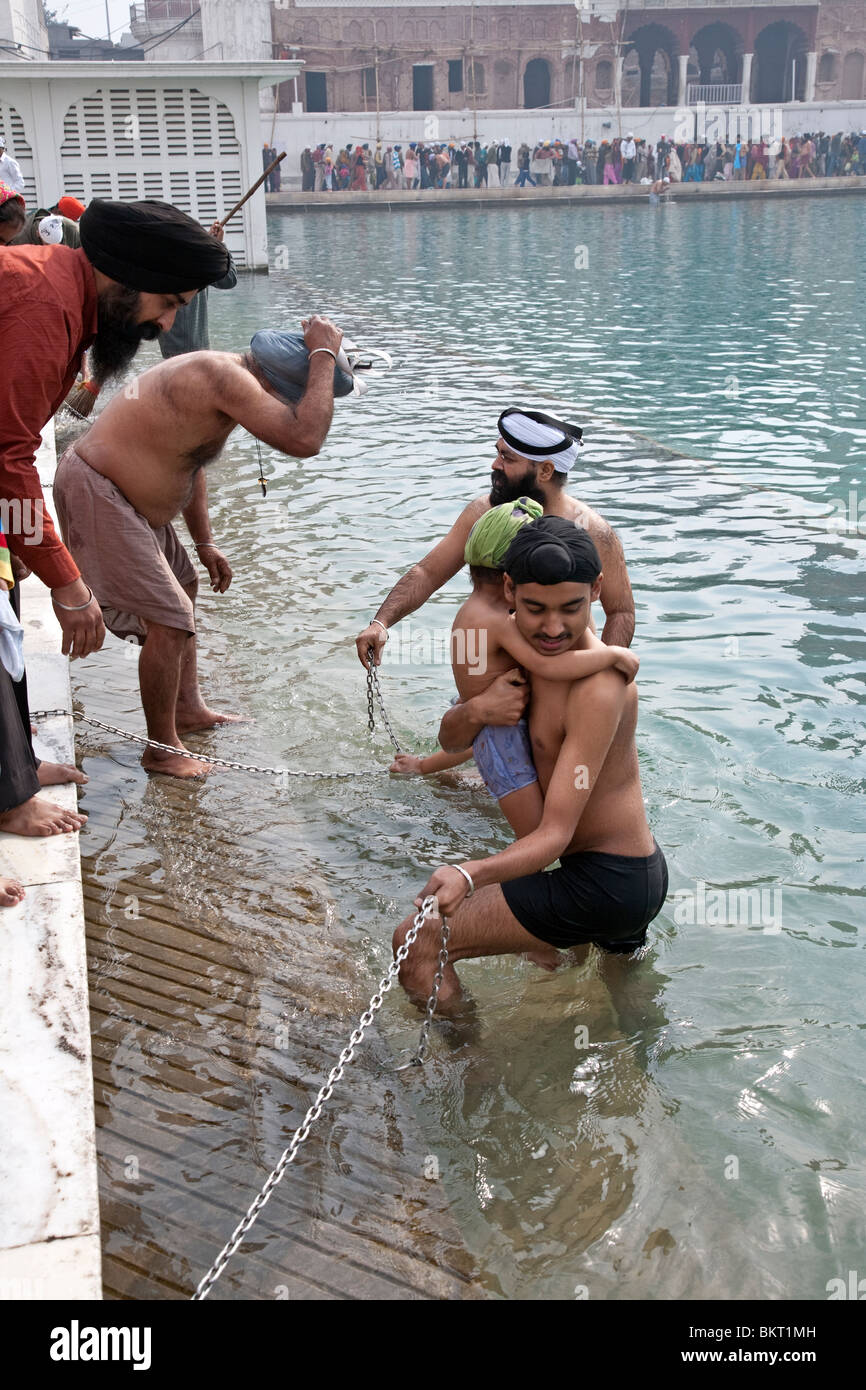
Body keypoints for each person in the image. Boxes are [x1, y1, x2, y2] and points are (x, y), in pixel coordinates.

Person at [0, 197, 231, 835]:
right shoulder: (43, 305)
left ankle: (12, 768)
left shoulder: (69, 303)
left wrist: (21, 552)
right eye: (172, 301)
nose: (168, 320)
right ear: (127, 280)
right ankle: (8, 797)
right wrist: (68, 584)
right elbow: (9, 458)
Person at [392, 518, 668, 1012]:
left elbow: (554, 835)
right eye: (536, 609)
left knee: (416, 942)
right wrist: (478, 709)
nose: (554, 629)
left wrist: (469, 873)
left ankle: (471, 1068)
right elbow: (456, 738)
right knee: (622, 1015)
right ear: (509, 590)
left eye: (573, 608)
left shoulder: (600, 686)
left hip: (606, 881)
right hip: (622, 879)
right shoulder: (523, 665)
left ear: (596, 591)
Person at [52, 317, 343, 778]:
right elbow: (305, 438)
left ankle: (187, 710)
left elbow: (193, 460)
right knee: (171, 618)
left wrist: (205, 543)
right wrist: (324, 354)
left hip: (129, 496)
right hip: (101, 488)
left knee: (183, 586)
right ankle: (160, 748)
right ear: (279, 384)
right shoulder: (224, 375)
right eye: (293, 396)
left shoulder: (225, 384)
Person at [390, 498, 638, 837]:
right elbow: (548, 664)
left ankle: (422, 769)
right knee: (536, 833)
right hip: (499, 731)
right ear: (512, 581)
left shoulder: (469, 612)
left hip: (476, 716)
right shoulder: (501, 622)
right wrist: (612, 655)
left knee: (479, 735)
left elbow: (468, 714)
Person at [355, 407, 635, 669]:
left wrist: (602, 677)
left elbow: (621, 611)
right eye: (498, 453)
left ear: (546, 471)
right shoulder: (484, 514)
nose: (494, 464)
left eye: (507, 458)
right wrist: (381, 623)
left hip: (566, 668)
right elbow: (428, 572)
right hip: (493, 669)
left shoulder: (592, 531)